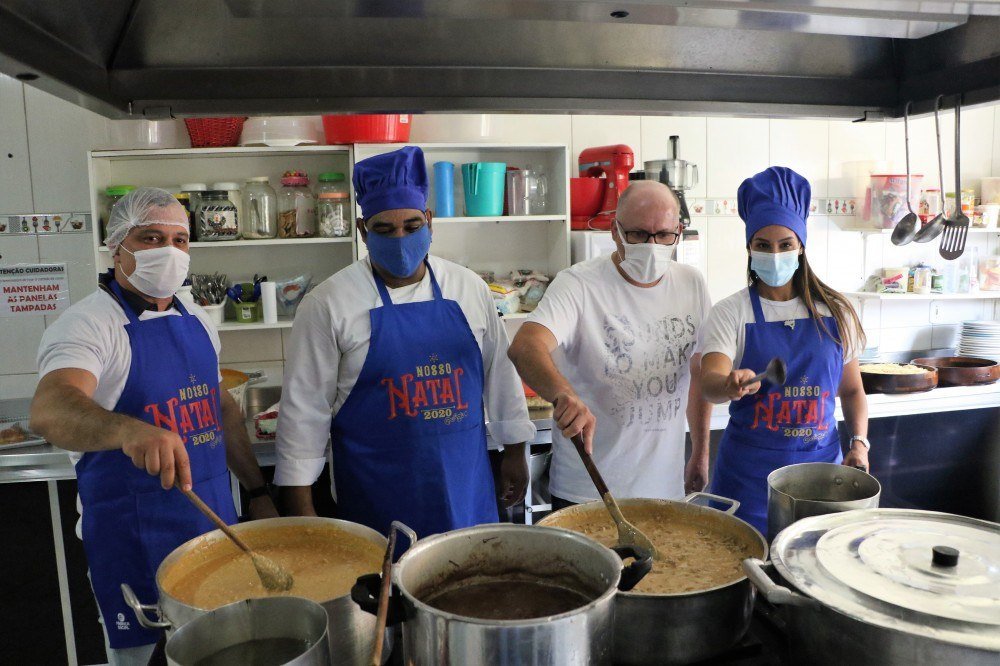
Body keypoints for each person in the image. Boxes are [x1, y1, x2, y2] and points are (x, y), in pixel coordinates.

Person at [29, 187, 277, 665]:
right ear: (117, 246)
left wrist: (258, 491)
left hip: (212, 532)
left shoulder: (198, 319)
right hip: (135, 543)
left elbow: (218, 407)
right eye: (151, 237)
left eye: (180, 240)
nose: (169, 252)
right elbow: (51, 409)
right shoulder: (87, 326)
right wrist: (129, 431)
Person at [274, 146, 534, 538]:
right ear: (363, 231)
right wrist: (304, 515)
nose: (400, 239)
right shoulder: (329, 303)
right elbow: (303, 413)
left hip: (466, 487)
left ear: (429, 221)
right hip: (378, 498)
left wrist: (515, 449)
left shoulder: (468, 287)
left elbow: (499, 372)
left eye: (412, 227)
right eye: (384, 230)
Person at [508, 180, 714, 508]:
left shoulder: (692, 284)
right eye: (637, 235)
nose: (652, 246)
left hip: (665, 489)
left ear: (678, 231)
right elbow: (525, 345)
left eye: (663, 235)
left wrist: (700, 453)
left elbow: (699, 372)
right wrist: (565, 395)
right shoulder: (578, 285)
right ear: (614, 231)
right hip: (589, 491)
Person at [699, 167, 869, 535]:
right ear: (749, 248)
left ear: (801, 246)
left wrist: (860, 443)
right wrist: (728, 384)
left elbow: (852, 390)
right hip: (747, 484)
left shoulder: (836, 312)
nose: (774, 255)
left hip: (821, 482)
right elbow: (708, 383)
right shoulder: (731, 312)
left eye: (785, 245)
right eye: (763, 245)